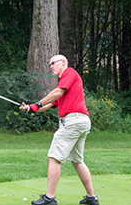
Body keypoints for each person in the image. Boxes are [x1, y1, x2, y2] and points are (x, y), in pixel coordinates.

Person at [19, 55, 99, 205]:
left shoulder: (69, 72)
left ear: (63, 63)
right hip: (79, 122)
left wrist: (36, 104)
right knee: (77, 160)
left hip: (73, 121)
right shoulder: (64, 83)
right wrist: (31, 108)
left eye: (53, 63)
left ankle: (49, 198)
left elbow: (57, 93)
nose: (51, 66)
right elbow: (50, 104)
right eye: (49, 64)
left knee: (54, 157)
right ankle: (91, 198)